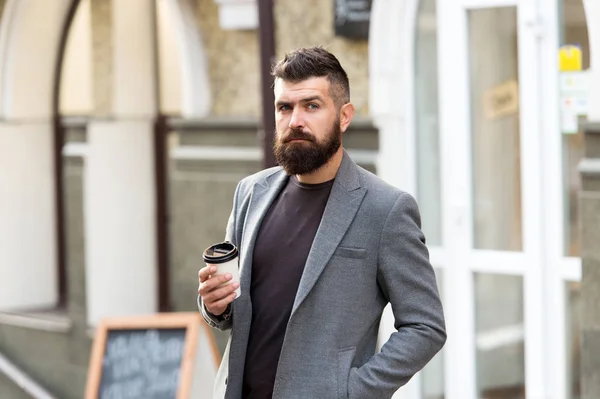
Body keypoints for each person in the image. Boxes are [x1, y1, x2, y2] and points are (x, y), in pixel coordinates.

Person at [197, 46, 446, 399]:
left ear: (344, 116)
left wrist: (352, 390)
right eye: (285, 107)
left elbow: (426, 326)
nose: (295, 120)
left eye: (312, 106)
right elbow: (235, 311)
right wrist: (213, 304)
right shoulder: (250, 192)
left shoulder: (386, 208)